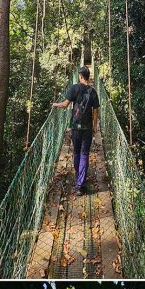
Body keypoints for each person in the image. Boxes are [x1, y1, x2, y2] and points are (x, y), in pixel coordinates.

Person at [51, 65, 100, 193]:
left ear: (80, 76)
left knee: (77, 152)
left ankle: (79, 178)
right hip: (87, 128)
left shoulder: (74, 88)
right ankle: (80, 184)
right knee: (84, 154)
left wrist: (55, 104)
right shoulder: (93, 92)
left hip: (75, 127)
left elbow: (65, 105)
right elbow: (95, 111)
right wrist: (95, 127)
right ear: (88, 77)